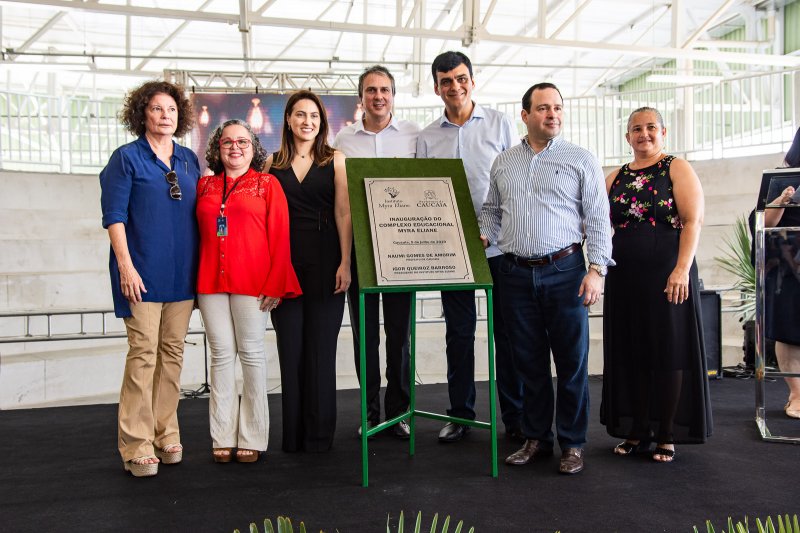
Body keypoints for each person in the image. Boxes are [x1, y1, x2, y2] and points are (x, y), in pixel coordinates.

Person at [480, 82, 613, 475]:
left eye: (557, 107)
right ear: (525, 115)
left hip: (566, 273)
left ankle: (572, 444)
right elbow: (492, 211)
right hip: (514, 274)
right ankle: (536, 438)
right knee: (528, 363)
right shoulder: (504, 161)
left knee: (571, 363)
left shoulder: (581, 159)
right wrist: (482, 235)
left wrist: (597, 270)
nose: (552, 114)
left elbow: (598, 219)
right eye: (543, 108)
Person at [416, 51, 522, 444]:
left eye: (461, 79)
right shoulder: (428, 137)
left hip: (501, 246)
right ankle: (460, 415)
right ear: (436, 88)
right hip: (452, 250)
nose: (455, 87)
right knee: (458, 335)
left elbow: (517, 179)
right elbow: (423, 192)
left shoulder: (500, 123)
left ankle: (516, 417)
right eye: (446, 81)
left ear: (472, 81)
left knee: (506, 334)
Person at [601, 106, 712, 462]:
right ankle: (637, 429)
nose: (644, 134)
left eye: (651, 127)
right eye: (636, 129)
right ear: (627, 137)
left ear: (663, 133)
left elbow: (693, 221)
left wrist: (682, 269)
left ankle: (666, 431)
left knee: (668, 351)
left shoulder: (676, 167)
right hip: (624, 277)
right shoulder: (615, 176)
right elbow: (596, 222)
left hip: (668, 276)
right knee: (632, 351)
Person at [100, 80, 199, 477]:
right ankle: (136, 444)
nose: (165, 115)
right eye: (157, 108)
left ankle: (165, 431)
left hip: (183, 275)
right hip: (140, 273)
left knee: (172, 354)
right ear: (142, 113)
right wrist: (125, 266)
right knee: (143, 353)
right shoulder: (126, 158)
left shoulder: (189, 159)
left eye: (171, 109)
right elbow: (114, 217)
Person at [196, 119, 301, 463]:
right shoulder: (205, 185)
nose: (235, 147)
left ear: (253, 147)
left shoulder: (267, 184)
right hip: (211, 281)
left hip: (253, 281)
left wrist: (276, 282)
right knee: (221, 355)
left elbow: (281, 236)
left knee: (252, 355)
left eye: (242, 141)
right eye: (227, 142)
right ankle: (222, 435)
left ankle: (253, 436)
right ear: (217, 148)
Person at [333, 65, 419, 440]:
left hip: (402, 247)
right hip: (361, 247)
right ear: (361, 97)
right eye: (371, 90)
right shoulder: (343, 139)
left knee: (400, 336)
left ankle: (399, 412)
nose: (378, 96)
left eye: (384, 90)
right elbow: (341, 201)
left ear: (393, 96)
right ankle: (370, 414)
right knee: (365, 336)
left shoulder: (414, 135)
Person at [265, 90, 353, 452]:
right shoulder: (270, 163)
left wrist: (345, 262)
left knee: (321, 350)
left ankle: (319, 437)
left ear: (322, 122)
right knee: (291, 350)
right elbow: (263, 219)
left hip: (326, 262)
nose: (307, 121)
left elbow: (343, 213)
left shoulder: (336, 159)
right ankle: (294, 436)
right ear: (288, 120)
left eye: (314, 116)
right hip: (284, 265)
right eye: (300, 114)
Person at [764, 129, 800, 419]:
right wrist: (782, 200)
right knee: (789, 333)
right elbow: (763, 222)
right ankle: (797, 395)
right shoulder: (782, 178)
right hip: (789, 270)